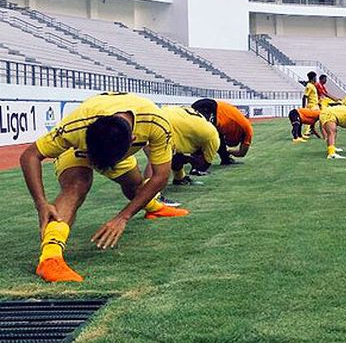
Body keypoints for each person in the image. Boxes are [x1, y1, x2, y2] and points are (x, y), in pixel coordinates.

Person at [20, 93, 189, 283]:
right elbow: (30, 156)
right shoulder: (77, 126)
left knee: (134, 184)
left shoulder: (156, 123)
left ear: (133, 140)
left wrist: (123, 217)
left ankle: (154, 209)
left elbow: (160, 176)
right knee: (77, 185)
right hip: (81, 152)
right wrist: (41, 203)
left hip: (115, 151)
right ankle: (50, 258)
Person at [159, 105, 219, 186]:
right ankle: (147, 189)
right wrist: (188, 159)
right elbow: (203, 165)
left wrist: (183, 158)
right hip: (166, 121)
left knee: (172, 153)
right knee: (159, 156)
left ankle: (179, 178)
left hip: (163, 112)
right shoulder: (211, 137)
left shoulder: (196, 123)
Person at [191, 99, 253, 165]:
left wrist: (227, 151)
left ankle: (225, 159)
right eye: (229, 141)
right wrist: (228, 151)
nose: (226, 139)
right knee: (207, 135)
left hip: (212, 107)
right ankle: (196, 159)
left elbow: (241, 153)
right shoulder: (247, 129)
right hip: (210, 107)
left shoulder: (226, 127)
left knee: (217, 138)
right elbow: (242, 153)